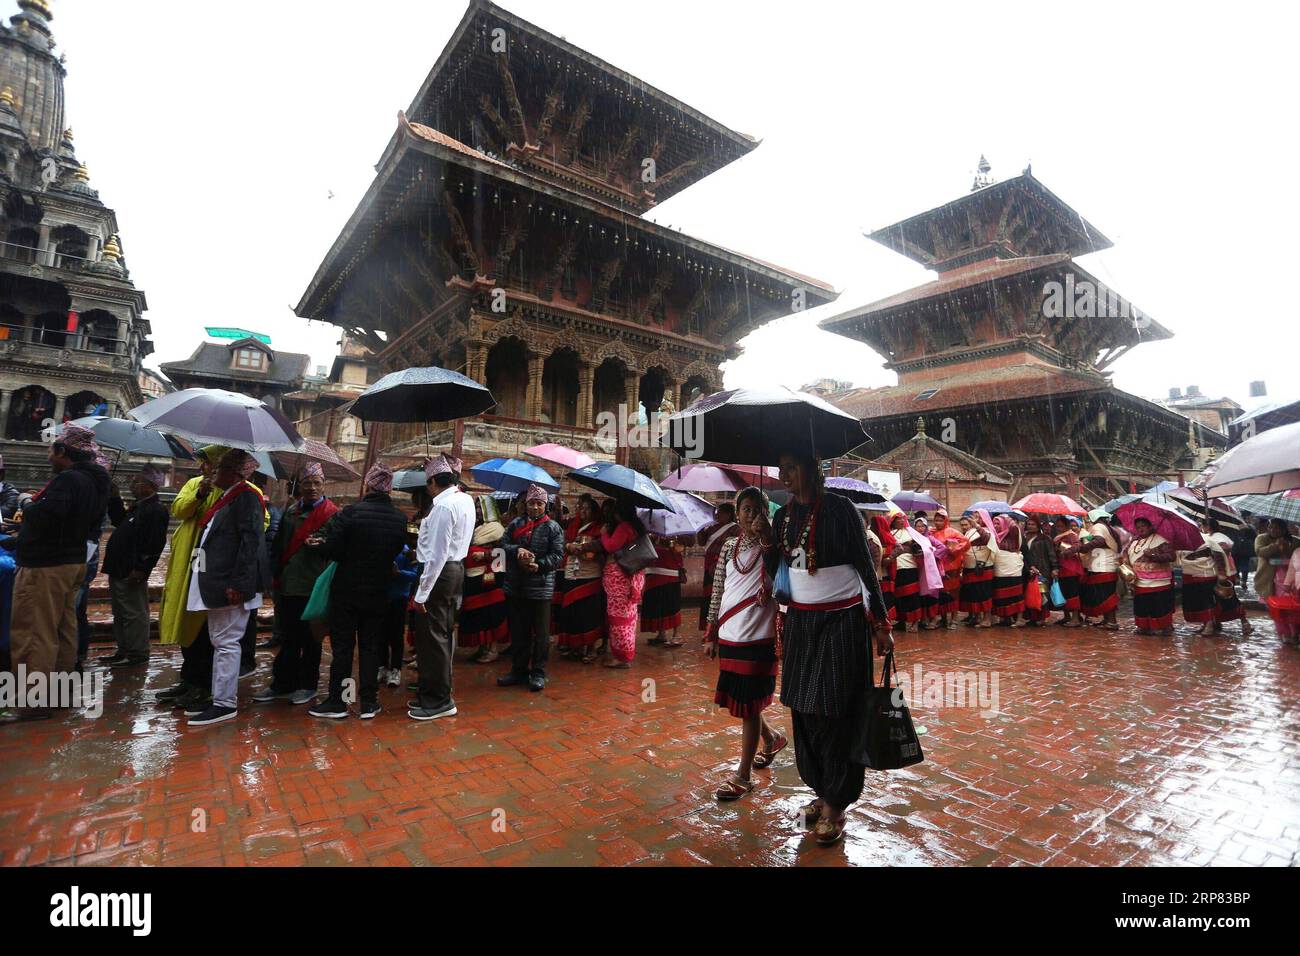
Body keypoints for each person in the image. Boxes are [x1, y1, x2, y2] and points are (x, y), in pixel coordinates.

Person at [772, 453, 891, 847]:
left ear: (812, 469)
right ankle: (822, 790)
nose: (782, 473)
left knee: (835, 708)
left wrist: (880, 623)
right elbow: (782, 568)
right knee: (803, 706)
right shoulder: (782, 518)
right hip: (800, 626)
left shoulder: (842, 511)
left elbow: (864, 568)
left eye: (789, 466)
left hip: (842, 624)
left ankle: (836, 805)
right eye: (779, 467)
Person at [1, 425, 111, 724]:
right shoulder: (96, 480)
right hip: (72, 561)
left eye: (52, 449)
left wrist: (26, 503)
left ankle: (31, 702)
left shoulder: (70, 481)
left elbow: (46, 516)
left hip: (45, 565)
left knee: (33, 632)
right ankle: (59, 694)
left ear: (63, 452)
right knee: (63, 629)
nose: (48, 455)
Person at [703, 485, 786, 801]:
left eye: (757, 509)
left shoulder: (774, 544)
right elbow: (718, 589)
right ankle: (773, 737)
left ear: (766, 513)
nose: (751, 514)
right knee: (742, 701)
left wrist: (768, 539)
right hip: (730, 632)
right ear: (737, 514)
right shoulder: (728, 546)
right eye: (746, 509)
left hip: (759, 634)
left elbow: (779, 573)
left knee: (750, 705)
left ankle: (743, 775)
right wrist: (711, 632)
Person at [309, 462, 408, 720]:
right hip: (378, 590)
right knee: (370, 646)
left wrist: (322, 546)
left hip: (347, 590)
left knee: (343, 647)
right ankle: (368, 702)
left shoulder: (351, 513)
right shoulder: (400, 519)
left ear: (368, 485)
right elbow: (395, 552)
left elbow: (334, 549)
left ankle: (339, 702)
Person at [184, 449, 271, 727]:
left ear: (235, 473)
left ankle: (224, 703)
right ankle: (219, 697)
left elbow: (250, 543)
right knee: (220, 641)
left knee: (226, 643)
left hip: (230, 584)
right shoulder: (227, 496)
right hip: (216, 578)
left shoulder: (246, 497)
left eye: (220, 468)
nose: (214, 472)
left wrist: (239, 583)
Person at [253, 463, 339, 706]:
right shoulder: (290, 511)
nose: (312, 488)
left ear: (324, 485)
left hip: (314, 585)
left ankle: (308, 685)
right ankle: (282, 683)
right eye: (307, 483)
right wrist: (273, 576)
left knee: (311, 639)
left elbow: (338, 548)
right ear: (299, 486)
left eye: (317, 483)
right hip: (289, 583)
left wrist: (322, 544)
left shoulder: (332, 514)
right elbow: (279, 547)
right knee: (288, 636)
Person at [408, 454, 475, 720]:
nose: (427, 488)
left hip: (441, 573)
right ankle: (434, 694)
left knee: (433, 637)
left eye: (428, 483)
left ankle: (438, 700)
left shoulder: (444, 508)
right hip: (454, 570)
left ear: (434, 481)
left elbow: (436, 555)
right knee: (442, 634)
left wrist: (421, 595)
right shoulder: (465, 499)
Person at [496, 483, 565, 692]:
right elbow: (501, 546)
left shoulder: (553, 528)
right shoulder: (515, 524)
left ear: (545, 505)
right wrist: (517, 550)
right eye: (532, 503)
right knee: (519, 631)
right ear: (525, 504)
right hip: (516, 586)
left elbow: (558, 556)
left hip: (540, 587)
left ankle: (538, 672)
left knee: (541, 634)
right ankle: (518, 670)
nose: (535, 507)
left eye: (539, 503)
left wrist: (540, 565)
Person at [99, 465, 170, 667]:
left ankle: (137, 653)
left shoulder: (155, 510)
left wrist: (142, 568)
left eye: (137, 482)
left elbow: (155, 543)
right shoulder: (139, 507)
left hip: (132, 569)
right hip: (119, 566)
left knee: (133, 613)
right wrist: (113, 498)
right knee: (121, 612)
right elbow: (120, 522)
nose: (133, 485)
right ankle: (123, 649)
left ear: (150, 486)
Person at [590, 497, 646, 670]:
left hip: (619, 578)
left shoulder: (624, 527)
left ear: (619, 513)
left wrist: (604, 533)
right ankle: (625, 654)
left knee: (618, 618)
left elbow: (612, 546)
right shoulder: (638, 528)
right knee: (628, 617)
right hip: (631, 577)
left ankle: (622, 658)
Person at [557, 493, 605, 664]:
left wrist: (585, 551)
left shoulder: (599, 528)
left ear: (594, 511)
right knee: (573, 611)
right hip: (571, 572)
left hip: (589, 574)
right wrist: (569, 546)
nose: (582, 511)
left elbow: (602, 548)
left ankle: (591, 648)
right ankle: (576, 646)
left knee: (588, 613)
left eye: (586, 508)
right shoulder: (573, 526)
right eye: (580, 508)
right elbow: (563, 543)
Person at [461, 496, 508, 664]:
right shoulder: (475, 527)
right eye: (476, 507)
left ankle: (492, 648)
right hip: (472, 578)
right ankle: (482, 647)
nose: (478, 511)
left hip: (489, 579)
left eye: (481, 507)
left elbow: (503, 553)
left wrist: (485, 555)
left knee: (490, 615)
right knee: (477, 616)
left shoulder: (496, 528)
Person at [1122, 516, 1176, 637]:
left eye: (1143, 526)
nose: (1140, 529)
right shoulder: (1135, 541)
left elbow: (1171, 557)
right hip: (1139, 580)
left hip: (1158, 581)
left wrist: (1153, 555)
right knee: (1142, 604)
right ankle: (1144, 627)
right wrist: (1125, 558)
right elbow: (1126, 553)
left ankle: (1161, 627)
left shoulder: (1160, 540)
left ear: (1150, 527)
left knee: (1158, 605)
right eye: (1138, 527)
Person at [1071, 511, 1121, 630]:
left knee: (1106, 595)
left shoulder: (1098, 526)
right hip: (1106, 564)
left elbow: (1099, 541)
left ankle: (1111, 621)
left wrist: (1083, 548)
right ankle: (1107, 620)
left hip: (1102, 565)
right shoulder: (1108, 528)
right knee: (1105, 594)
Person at [1203, 518, 1252, 636]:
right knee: (1219, 599)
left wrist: (1221, 573)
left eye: (1203, 526)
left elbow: (1220, 554)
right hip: (1224, 572)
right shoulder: (1219, 537)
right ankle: (1216, 623)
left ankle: (1244, 623)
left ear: (1207, 527)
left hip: (1222, 574)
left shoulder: (1217, 538)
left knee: (1226, 599)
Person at [697, 503, 738, 632]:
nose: (717, 515)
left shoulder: (735, 529)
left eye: (721, 513)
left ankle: (722, 626)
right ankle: (708, 627)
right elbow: (701, 542)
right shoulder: (711, 528)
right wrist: (700, 529)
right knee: (708, 597)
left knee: (721, 595)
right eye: (717, 513)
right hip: (708, 567)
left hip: (723, 567)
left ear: (729, 514)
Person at [642, 535, 686, 647]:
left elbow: (685, 545)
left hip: (670, 573)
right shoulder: (650, 530)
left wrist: (673, 541)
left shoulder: (677, 531)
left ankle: (677, 635)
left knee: (672, 604)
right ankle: (661, 634)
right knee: (657, 604)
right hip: (653, 571)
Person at [931, 509, 968, 629]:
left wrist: (953, 549)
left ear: (945, 520)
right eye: (936, 520)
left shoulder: (953, 532)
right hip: (938, 568)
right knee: (941, 594)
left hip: (952, 568)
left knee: (953, 593)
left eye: (941, 520)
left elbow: (965, 542)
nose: (938, 523)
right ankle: (943, 618)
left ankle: (954, 619)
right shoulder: (932, 533)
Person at [959, 512, 996, 627]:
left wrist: (976, 526)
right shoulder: (969, 532)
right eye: (975, 517)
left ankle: (987, 619)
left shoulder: (987, 531)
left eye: (979, 517)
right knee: (973, 593)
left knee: (984, 593)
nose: (976, 519)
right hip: (969, 567)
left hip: (982, 567)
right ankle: (976, 616)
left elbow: (986, 539)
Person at [1021, 516, 1057, 627]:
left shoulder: (1044, 539)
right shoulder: (1023, 538)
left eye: (1033, 524)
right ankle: (1031, 617)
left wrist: (1055, 568)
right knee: (1029, 593)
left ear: (1038, 526)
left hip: (1043, 569)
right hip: (1027, 569)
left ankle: (1042, 617)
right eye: (1029, 524)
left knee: (1042, 593)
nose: (1030, 526)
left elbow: (1051, 554)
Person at [990, 515, 1025, 626]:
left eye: (998, 523)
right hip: (999, 568)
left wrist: (1006, 517)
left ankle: (1019, 619)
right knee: (1002, 592)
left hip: (1012, 567)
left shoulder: (1012, 534)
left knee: (1015, 592)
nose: (996, 526)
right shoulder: (995, 537)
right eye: (994, 523)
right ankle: (1006, 617)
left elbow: (1014, 527)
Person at [1052, 516, 1085, 627]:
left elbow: (1077, 546)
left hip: (1071, 567)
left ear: (1066, 526)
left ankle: (1075, 618)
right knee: (1064, 591)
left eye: (1061, 526)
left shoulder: (1072, 535)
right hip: (1062, 567)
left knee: (1072, 592)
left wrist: (1066, 551)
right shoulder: (1057, 537)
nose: (1059, 528)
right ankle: (1067, 616)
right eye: (1057, 526)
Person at [1254, 518, 1297, 601]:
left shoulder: (1294, 540)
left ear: (1284, 529)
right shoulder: (1262, 538)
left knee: (1288, 600)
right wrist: (1275, 545)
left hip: (1288, 576)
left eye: (1276, 528)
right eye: (1270, 527)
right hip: (1267, 575)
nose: (1272, 530)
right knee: (1270, 600)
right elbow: (1260, 552)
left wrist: (1287, 547)